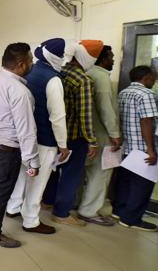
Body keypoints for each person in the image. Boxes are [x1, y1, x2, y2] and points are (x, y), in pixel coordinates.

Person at [0, 42, 39, 248]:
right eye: (30, 60)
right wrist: (32, 162)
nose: (32, 64)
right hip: (6, 150)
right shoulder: (20, 92)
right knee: (0, 191)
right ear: (20, 64)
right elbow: (26, 130)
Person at [5, 38, 69, 235]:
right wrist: (63, 145)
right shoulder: (53, 79)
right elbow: (58, 116)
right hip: (45, 139)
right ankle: (31, 220)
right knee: (38, 181)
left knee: (23, 175)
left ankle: (13, 207)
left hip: (25, 136)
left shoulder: (30, 71)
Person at [43, 40, 102, 227]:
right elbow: (84, 114)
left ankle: (48, 201)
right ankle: (61, 213)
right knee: (71, 175)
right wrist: (92, 141)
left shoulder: (60, 72)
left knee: (54, 170)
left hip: (57, 134)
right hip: (75, 137)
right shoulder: (83, 80)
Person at [77, 45, 121, 226]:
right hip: (102, 135)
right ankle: (89, 211)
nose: (113, 60)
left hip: (87, 134)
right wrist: (115, 133)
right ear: (102, 59)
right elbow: (106, 110)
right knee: (100, 174)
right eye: (111, 57)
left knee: (85, 173)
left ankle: (81, 204)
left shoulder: (87, 73)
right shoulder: (101, 77)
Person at [114, 66, 158, 231]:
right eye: (153, 78)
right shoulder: (146, 94)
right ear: (146, 77)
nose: (154, 81)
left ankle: (119, 211)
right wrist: (151, 149)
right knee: (142, 185)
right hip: (142, 148)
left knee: (125, 182)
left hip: (127, 146)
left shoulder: (123, 93)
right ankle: (131, 219)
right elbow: (145, 121)